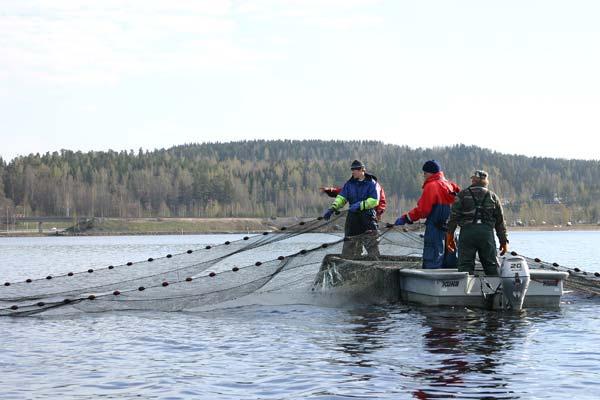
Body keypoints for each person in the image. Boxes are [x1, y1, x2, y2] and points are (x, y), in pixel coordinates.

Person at [394, 160, 460, 268]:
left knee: (433, 259)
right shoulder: (450, 185)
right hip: (450, 230)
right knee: (450, 259)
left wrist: (406, 218)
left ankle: (432, 283)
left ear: (430, 173)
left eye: (425, 173)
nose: (424, 175)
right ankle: (451, 282)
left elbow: (423, 210)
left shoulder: (431, 186)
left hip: (434, 230)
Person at [445, 170, 509, 276]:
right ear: (485, 181)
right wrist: (503, 241)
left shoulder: (462, 195)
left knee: (465, 266)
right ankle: (495, 290)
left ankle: (464, 289)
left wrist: (450, 236)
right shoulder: (493, 197)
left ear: (473, 180)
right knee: (491, 265)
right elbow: (500, 222)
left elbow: (453, 218)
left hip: (467, 234)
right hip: (486, 234)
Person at [323, 160, 381, 257]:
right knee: (349, 250)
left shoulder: (372, 183)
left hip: (368, 219)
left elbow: (375, 200)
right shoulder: (349, 184)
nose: (353, 172)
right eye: (352, 170)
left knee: (373, 250)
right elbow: (341, 198)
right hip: (352, 220)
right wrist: (333, 208)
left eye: (355, 169)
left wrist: (360, 205)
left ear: (362, 170)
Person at [320, 176, 387, 221]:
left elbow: (381, 202)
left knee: (372, 235)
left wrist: (378, 213)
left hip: (371, 216)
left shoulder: (377, 187)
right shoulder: (358, 186)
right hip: (356, 215)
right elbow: (343, 192)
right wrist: (330, 190)